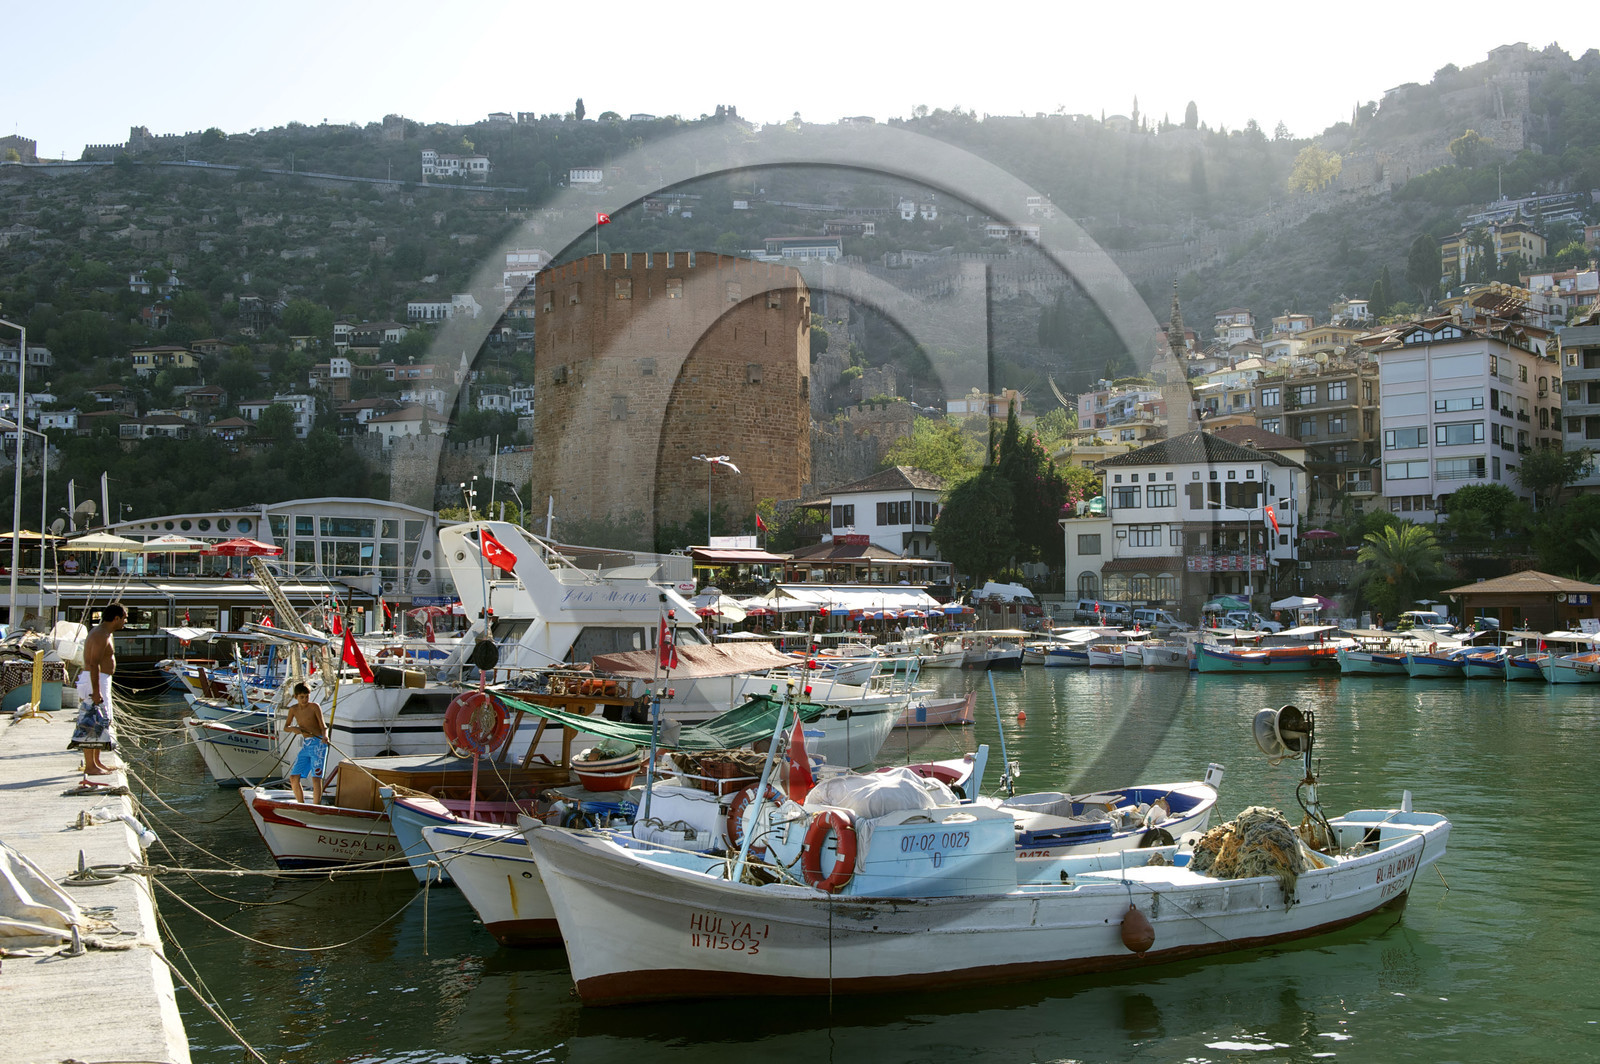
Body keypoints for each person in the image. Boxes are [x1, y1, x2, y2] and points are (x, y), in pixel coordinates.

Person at [71, 604, 126, 779]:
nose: (125, 621)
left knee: (101, 722)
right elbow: (93, 664)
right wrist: (96, 691)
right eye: (124, 618)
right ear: (116, 618)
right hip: (95, 680)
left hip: (102, 680)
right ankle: (90, 766)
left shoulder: (106, 633)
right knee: (91, 722)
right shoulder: (100, 635)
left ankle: (96, 762)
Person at [283, 682, 329, 804]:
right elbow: (286, 727)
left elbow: (323, 726)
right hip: (306, 744)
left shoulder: (314, 707)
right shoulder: (293, 709)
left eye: (306, 696)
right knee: (293, 777)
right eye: (301, 697)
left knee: (316, 778)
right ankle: (301, 803)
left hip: (319, 744)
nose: (304, 699)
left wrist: (325, 736)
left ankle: (316, 805)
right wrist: (294, 729)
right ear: (296, 697)